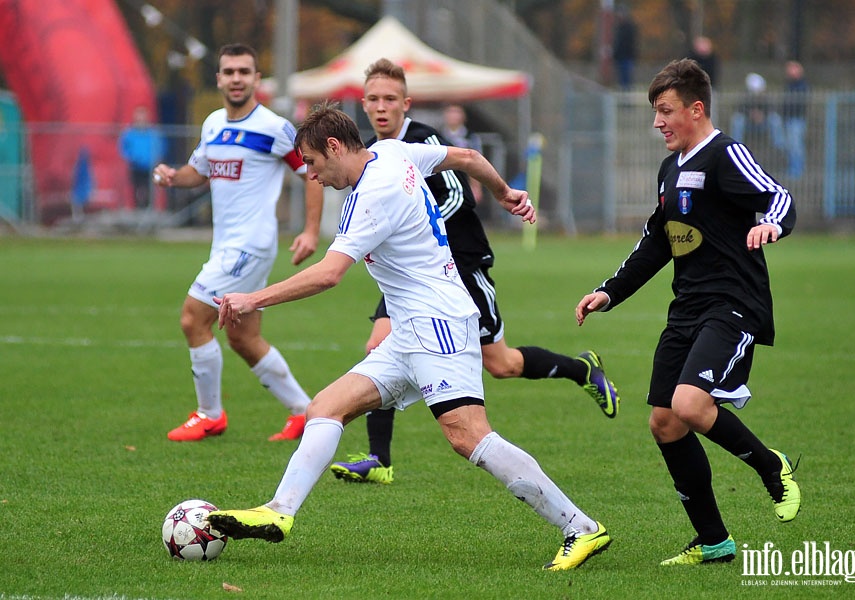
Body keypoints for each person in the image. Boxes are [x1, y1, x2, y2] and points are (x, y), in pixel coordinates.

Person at [207, 101, 612, 572]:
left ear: (334, 147)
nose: (312, 176)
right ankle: (278, 513)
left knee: (467, 436)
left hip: (438, 324)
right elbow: (465, 158)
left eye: (313, 164)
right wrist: (504, 192)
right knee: (325, 408)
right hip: (409, 330)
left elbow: (329, 274)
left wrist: (252, 299)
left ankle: (580, 527)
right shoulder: (392, 152)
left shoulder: (372, 193)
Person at [329, 58, 618, 485]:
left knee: (500, 364)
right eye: (372, 99)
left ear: (406, 103)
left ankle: (583, 370)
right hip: (413, 275)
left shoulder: (424, 140)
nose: (380, 107)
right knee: (379, 342)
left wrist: (398, 225)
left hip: (461, 263)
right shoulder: (368, 151)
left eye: (390, 98)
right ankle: (379, 458)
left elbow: (458, 201)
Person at [574, 58, 800, 566]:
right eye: (656, 112)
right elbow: (656, 242)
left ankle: (771, 466)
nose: (658, 122)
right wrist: (608, 292)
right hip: (687, 309)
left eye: (666, 111)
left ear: (696, 109)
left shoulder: (725, 153)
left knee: (691, 405)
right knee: (665, 423)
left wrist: (772, 225)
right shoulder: (670, 167)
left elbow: (778, 196)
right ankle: (715, 541)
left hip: (733, 305)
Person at [152, 43, 324, 443]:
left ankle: (210, 414)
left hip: (249, 245)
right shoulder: (213, 123)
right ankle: (304, 412)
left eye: (244, 72)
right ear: (219, 78)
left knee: (193, 319)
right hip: (227, 245)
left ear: (256, 79)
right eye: (228, 71)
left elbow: (311, 174)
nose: (236, 79)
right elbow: (200, 171)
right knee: (243, 338)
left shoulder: (274, 127)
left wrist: (311, 230)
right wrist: (173, 177)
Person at [119, 105, 165, 210]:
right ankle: (137, 209)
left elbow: (160, 147)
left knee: (150, 189)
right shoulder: (129, 134)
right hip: (135, 167)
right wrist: (131, 158)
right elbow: (123, 148)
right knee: (136, 189)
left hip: (150, 167)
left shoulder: (153, 133)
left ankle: (149, 209)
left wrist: (157, 158)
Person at [440, 103, 484, 202]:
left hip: (464, 181)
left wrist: (476, 186)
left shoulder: (471, 138)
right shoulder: (438, 135)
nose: (453, 116)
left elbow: (476, 162)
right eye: (450, 112)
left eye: (456, 112)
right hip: (443, 181)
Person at [780, 60, 809, 179]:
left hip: (797, 119)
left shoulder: (802, 85)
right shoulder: (789, 85)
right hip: (789, 118)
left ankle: (797, 168)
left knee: (796, 145)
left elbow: (798, 102)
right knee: (791, 145)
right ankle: (793, 167)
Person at [611, 6, 639, 90]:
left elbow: (626, 44)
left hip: (626, 57)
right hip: (621, 58)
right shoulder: (619, 28)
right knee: (622, 80)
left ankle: (627, 99)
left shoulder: (628, 28)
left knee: (626, 80)